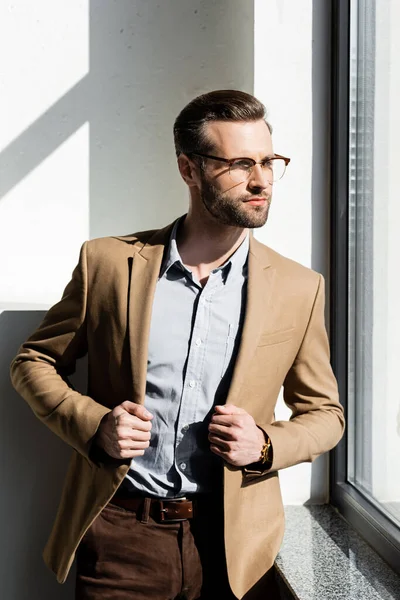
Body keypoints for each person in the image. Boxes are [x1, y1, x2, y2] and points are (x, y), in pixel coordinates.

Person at [10, 89, 345, 600]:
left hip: (237, 546)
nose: (261, 181)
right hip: (123, 535)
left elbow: (326, 415)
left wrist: (267, 445)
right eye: (238, 164)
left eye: (268, 161)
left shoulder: (300, 288)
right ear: (189, 170)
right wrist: (95, 424)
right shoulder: (107, 265)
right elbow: (34, 362)